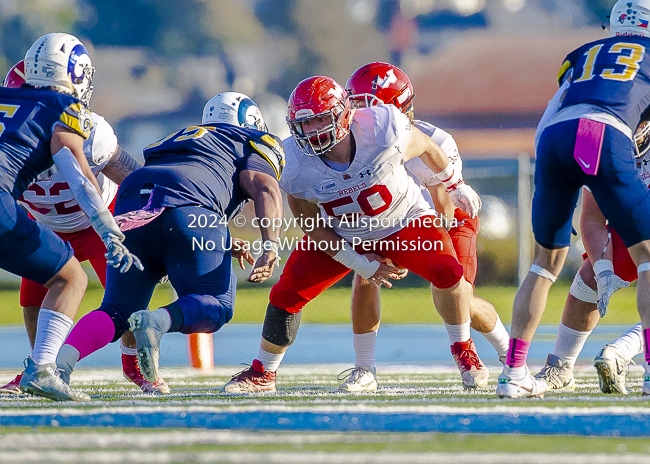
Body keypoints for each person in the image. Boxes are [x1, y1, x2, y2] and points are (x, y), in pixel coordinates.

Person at [223, 75, 484, 394]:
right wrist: (361, 263)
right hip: (342, 230)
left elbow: (428, 147)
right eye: (304, 123)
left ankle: (464, 351)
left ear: (345, 114)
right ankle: (263, 373)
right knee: (286, 293)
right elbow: (312, 226)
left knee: (449, 272)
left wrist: (455, 185)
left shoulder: (381, 126)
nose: (313, 131)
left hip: (402, 219)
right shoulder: (292, 162)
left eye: (320, 119)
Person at [54, 91, 285, 393]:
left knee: (116, 311)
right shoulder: (250, 140)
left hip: (133, 199)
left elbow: (176, 194)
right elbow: (263, 186)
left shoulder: (181, 137)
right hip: (187, 206)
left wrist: (221, 239)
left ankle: (56, 367)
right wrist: (270, 245)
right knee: (216, 305)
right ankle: (157, 322)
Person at [497, 0, 650, 399]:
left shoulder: (583, 55)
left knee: (545, 263)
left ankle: (513, 374)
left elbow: (556, 112)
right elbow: (594, 215)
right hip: (606, 134)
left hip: (553, 139)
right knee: (649, 260)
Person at [336, 62, 510, 391]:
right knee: (366, 273)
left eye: (363, 105)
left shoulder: (434, 140)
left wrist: (418, 251)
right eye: (353, 104)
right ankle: (364, 368)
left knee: (456, 292)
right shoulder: (352, 140)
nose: (355, 113)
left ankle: (510, 355)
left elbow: (442, 209)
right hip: (390, 219)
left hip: (445, 217)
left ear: (392, 108)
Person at [0, 60, 168, 395]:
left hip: (98, 218)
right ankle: (39, 366)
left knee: (127, 301)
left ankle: (135, 365)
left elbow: (135, 180)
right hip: (46, 221)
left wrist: (157, 228)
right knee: (33, 300)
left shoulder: (89, 128)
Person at [535, 121, 650, 395]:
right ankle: (561, 366)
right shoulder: (591, 140)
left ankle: (623, 351)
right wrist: (603, 269)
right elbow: (593, 218)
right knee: (590, 278)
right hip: (633, 217)